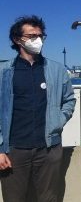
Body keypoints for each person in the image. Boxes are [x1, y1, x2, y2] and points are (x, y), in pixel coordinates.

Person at [0, 15, 76, 202]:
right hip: (14, 150)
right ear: (17, 40)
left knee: (48, 198)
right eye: (31, 36)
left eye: (41, 35)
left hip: (48, 149)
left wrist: (58, 120)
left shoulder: (56, 70)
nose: (38, 40)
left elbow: (69, 100)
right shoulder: (4, 72)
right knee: (14, 198)